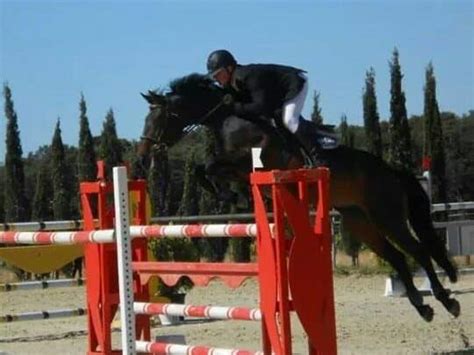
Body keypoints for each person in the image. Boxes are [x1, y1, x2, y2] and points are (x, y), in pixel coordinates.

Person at [206, 49, 320, 164]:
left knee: (289, 119)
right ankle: (293, 160)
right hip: (276, 97)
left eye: (217, 74)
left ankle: (319, 158)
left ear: (229, 68)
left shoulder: (248, 76)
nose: (216, 79)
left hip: (294, 82)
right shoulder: (231, 85)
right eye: (213, 77)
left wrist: (236, 108)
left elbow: (261, 107)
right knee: (272, 123)